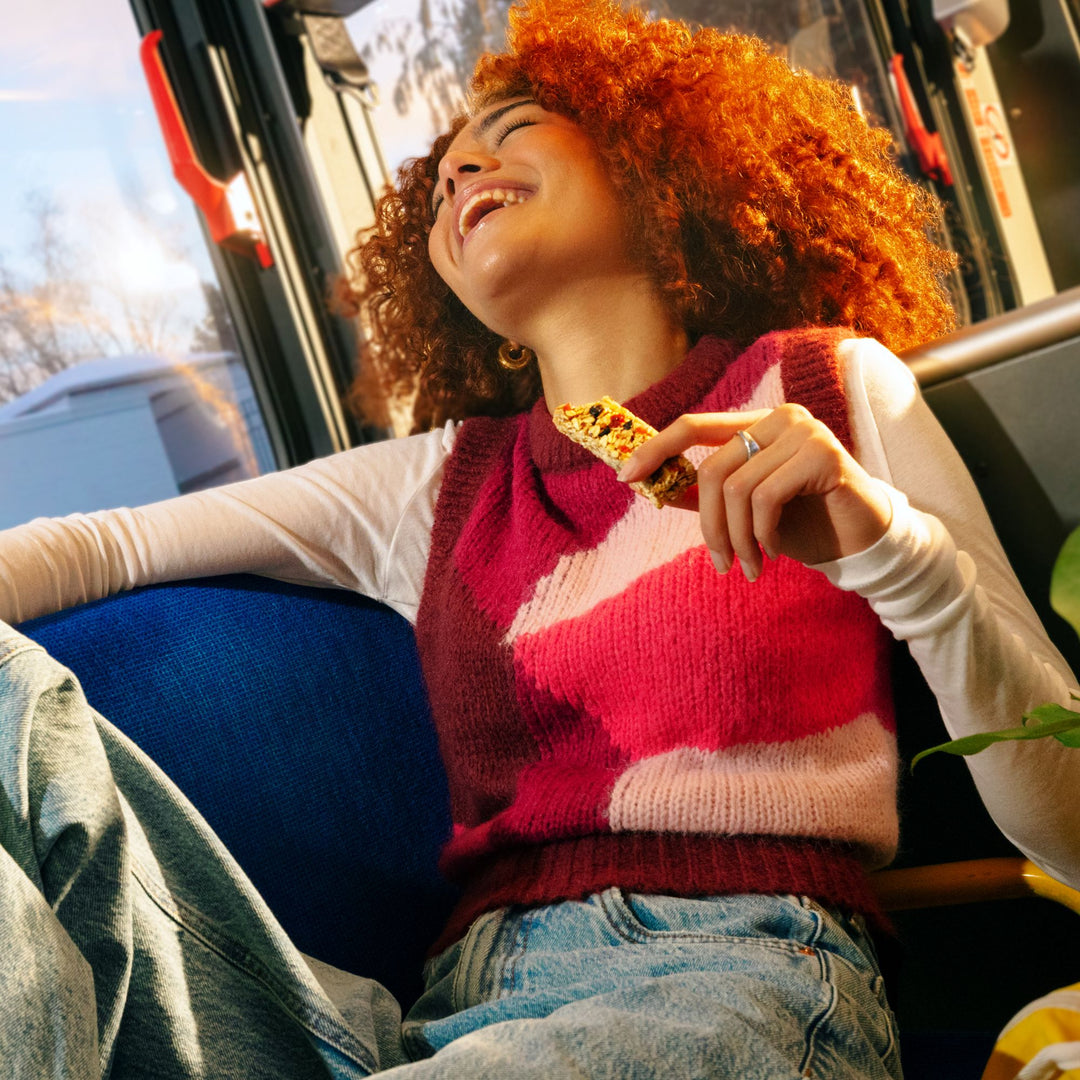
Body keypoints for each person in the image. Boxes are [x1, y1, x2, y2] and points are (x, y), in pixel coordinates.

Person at [1, 0, 1077, 1076]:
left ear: (661, 167)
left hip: (728, 983)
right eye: (442, 180)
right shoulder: (440, 482)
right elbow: (102, 549)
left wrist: (896, 557)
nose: (461, 169)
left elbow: (1069, 831)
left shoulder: (826, 388)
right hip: (436, 1013)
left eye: (510, 128)